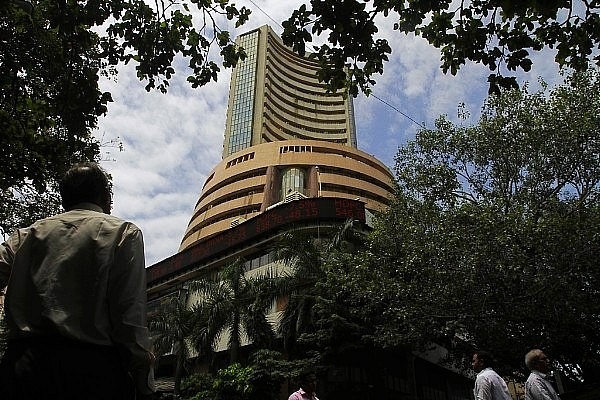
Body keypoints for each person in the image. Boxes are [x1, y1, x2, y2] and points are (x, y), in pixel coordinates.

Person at [0, 162, 155, 399]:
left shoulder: (25, 236)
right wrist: (143, 378)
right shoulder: (122, 233)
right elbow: (129, 315)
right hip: (92, 370)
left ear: (64, 199)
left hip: (23, 366)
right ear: (106, 197)